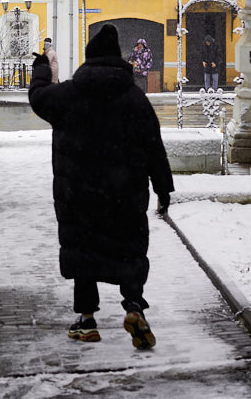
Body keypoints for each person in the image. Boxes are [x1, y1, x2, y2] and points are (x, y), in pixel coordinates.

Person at [28, 23, 175, 349]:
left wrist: (41, 67)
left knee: (84, 252)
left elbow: (38, 98)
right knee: (130, 251)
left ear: (88, 59)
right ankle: (134, 307)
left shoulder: (69, 95)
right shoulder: (135, 99)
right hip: (124, 195)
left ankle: (87, 321)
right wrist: (164, 189)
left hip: (79, 197)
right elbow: (154, 146)